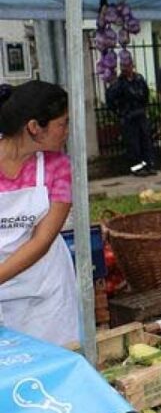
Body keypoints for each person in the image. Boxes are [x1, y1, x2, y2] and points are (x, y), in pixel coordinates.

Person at [0, 81, 78, 345]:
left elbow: (41, 241)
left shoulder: (60, 168)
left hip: (47, 295)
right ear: (34, 127)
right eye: (62, 123)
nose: (67, 131)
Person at [106, 56, 157, 177]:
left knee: (145, 140)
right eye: (123, 66)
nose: (126, 68)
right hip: (128, 116)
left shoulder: (139, 79)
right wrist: (120, 113)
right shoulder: (118, 83)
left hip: (140, 114)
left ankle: (148, 165)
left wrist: (144, 108)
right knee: (133, 144)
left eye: (128, 65)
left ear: (132, 66)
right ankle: (137, 168)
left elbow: (145, 94)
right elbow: (111, 99)